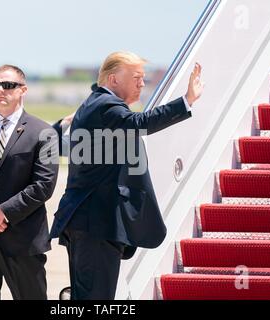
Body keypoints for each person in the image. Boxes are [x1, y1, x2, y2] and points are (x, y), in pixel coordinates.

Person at [49, 51, 204, 300]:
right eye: (137, 77)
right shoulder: (106, 106)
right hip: (96, 224)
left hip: (90, 224)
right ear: (113, 80)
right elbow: (142, 122)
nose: (142, 83)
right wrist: (186, 101)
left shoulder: (96, 103)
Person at [0, 65, 59, 300]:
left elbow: (44, 185)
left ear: (23, 90)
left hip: (24, 241)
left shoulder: (45, 133)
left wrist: (3, 213)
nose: (0, 90)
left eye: (8, 85)